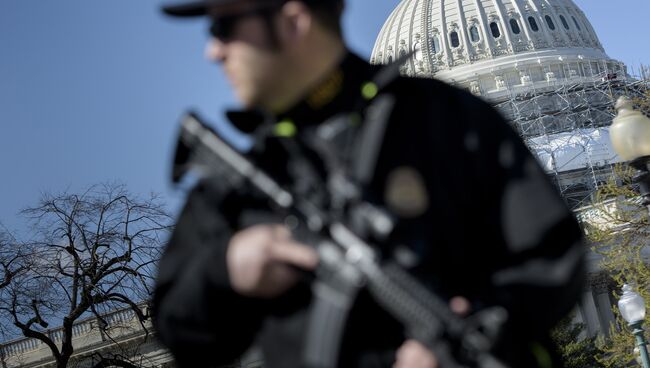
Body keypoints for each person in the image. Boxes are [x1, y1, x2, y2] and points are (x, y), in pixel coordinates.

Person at [153, 0, 586, 367]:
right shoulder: (237, 185)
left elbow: (554, 255)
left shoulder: (446, 121)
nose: (213, 50)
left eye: (224, 26)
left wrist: (482, 330)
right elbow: (176, 328)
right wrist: (225, 269)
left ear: (293, 21)